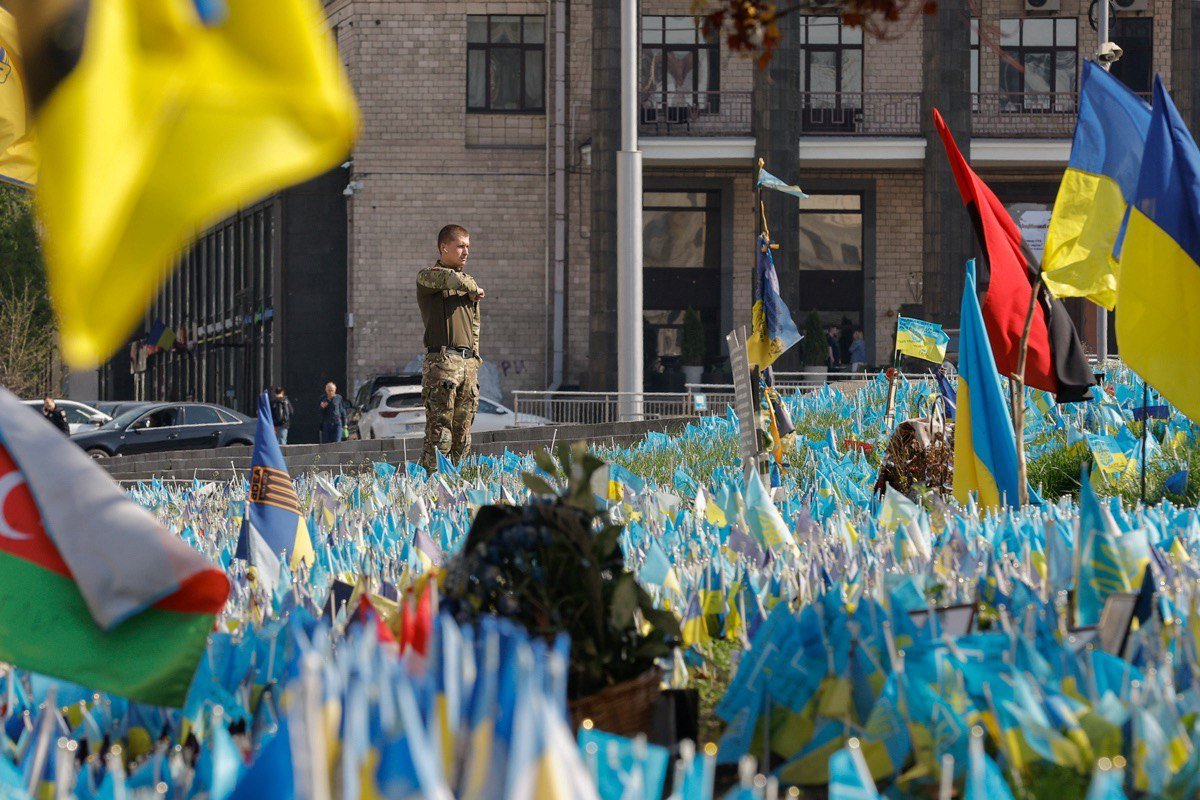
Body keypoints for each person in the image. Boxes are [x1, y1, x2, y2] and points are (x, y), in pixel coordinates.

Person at [417, 224, 483, 473]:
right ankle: (432, 484)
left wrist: (475, 358)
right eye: (461, 246)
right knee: (440, 431)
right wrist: (471, 286)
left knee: (463, 433)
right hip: (443, 363)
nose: (466, 251)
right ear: (444, 248)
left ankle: (456, 487)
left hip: (466, 364)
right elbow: (449, 277)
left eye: (468, 246)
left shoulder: (467, 286)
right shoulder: (430, 276)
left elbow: (474, 326)